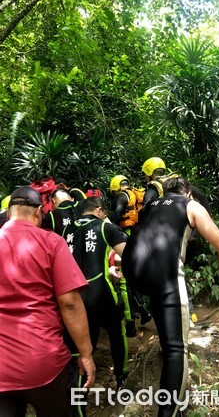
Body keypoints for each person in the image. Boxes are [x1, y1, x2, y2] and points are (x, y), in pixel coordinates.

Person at [121, 176, 219, 417]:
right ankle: (169, 412)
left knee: (165, 332)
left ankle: (167, 352)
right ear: (187, 193)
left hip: (134, 275)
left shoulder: (149, 207)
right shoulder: (190, 205)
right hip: (165, 276)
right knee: (177, 350)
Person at [0, 186, 96, 417]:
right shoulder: (50, 242)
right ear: (38, 212)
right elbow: (70, 302)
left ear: (9, 212)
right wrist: (86, 354)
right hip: (44, 362)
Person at [73, 196, 129, 389]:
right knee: (117, 333)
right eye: (104, 212)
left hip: (74, 298)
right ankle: (121, 377)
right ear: (99, 210)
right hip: (100, 294)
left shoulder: (66, 230)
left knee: (86, 345)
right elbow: (129, 255)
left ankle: (80, 395)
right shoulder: (105, 227)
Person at [110, 175, 152, 329]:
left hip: (125, 235)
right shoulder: (133, 193)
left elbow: (118, 213)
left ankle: (131, 323)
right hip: (136, 234)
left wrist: (109, 226)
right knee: (132, 276)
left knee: (124, 279)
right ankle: (144, 310)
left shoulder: (121, 196)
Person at [141, 157, 212, 214]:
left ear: (148, 174)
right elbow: (202, 196)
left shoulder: (153, 189)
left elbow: (144, 212)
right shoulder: (177, 182)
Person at [42, 188, 85, 253]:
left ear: (53, 201)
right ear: (72, 199)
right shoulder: (84, 206)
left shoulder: (51, 216)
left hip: (66, 258)